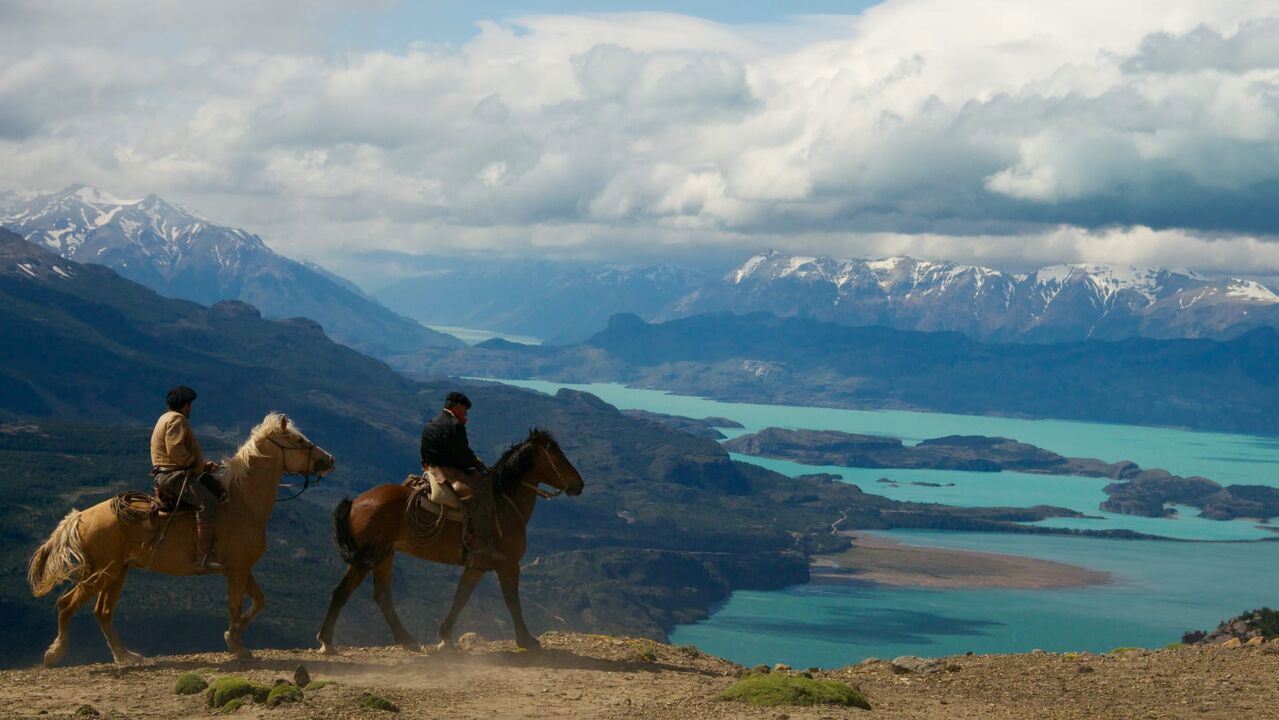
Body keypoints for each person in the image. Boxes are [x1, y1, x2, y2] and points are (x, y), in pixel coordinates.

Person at [420, 391, 503, 562]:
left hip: (431, 469)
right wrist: (477, 464)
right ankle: (477, 543)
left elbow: (425, 451)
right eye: (465, 411)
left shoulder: (431, 424)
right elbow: (462, 456)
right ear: (457, 407)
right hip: (449, 472)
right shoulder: (455, 426)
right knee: (481, 495)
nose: (466, 416)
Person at [150, 385, 224, 570]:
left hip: (172, 471)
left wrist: (202, 465)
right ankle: (203, 556)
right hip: (173, 476)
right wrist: (192, 462)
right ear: (186, 405)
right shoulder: (177, 419)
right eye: (190, 405)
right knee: (208, 502)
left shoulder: (165, 417)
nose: (191, 409)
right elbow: (175, 449)